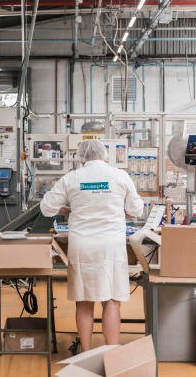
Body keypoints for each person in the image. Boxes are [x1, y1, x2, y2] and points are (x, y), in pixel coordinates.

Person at [40, 140, 144, 352]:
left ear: (81, 157)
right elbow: (136, 210)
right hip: (111, 246)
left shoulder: (72, 178)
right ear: (105, 155)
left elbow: (46, 208)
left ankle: (86, 354)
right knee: (112, 300)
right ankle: (111, 354)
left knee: (84, 300)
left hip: (82, 245)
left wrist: (65, 210)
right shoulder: (120, 176)